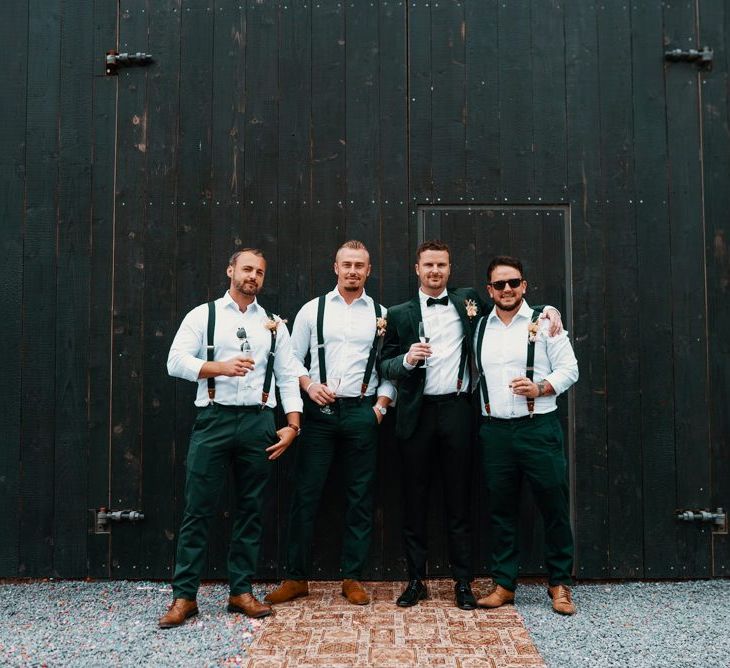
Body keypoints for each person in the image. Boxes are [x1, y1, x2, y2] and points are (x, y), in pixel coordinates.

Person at [380, 241, 561, 610]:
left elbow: (512, 301)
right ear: (417, 268)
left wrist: (549, 310)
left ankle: (462, 582)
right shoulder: (399, 314)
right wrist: (408, 361)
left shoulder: (469, 301)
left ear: (449, 269)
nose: (435, 271)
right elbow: (383, 365)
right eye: (429, 265)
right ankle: (417, 580)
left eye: (442, 265)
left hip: (459, 411)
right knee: (415, 499)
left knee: (459, 499)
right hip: (416, 414)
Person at [158, 248, 303, 629]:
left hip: (259, 422)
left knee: (251, 509)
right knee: (197, 510)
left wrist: (292, 425)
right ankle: (184, 597)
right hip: (214, 418)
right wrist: (218, 367)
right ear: (231, 271)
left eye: (259, 271)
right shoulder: (203, 315)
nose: (253, 276)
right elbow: (175, 361)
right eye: (247, 269)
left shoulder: (274, 323)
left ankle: (241, 592)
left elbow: (287, 376)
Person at [265, 240, 395, 606]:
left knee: (360, 495)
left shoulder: (382, 314)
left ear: (369, 271)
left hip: (362, 411)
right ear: (334, 267)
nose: (352, 270)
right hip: (319, 414)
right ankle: (296, 577)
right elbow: (290, 360)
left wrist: (381, 407)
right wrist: (308, 386)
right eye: (346, 264)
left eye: (359, 265)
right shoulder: (312, 311)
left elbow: (390, 367)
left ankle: (352, 576)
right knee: (306, 493)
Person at [474, 255, 579, 615]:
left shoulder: (545, 322)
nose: (507, 289)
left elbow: (570, 369)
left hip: (538, 429)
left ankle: (559, 584)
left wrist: (541, 387)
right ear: (489, 290)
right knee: (501, 509)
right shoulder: (478, 326)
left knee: (553, 506)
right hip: (494, 430)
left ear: (524, 285)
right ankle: (504, 584)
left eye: (513, 282)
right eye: (499, 284)